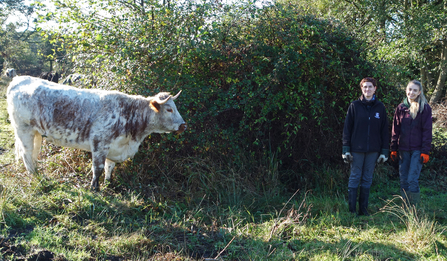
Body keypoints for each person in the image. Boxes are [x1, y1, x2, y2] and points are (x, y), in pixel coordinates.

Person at [342, 77, 389, 216]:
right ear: (361, 89)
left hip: (373, 150)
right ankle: (352, 211)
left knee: (367, 178)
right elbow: (347, 129)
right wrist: (346, 149)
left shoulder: (380, 107)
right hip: (356, 149)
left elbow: (384, 131)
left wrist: (384, 152)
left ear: (375, 89)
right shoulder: (354, 106)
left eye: (370, 87)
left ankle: (363, 209)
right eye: (364, 87)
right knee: (355, 176)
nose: (367, 89)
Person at [390, 80, 432, 207]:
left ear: (419, 92)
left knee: (412, 180)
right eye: (410, 89)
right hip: (403, 149)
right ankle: (405, 207)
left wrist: (425, 151)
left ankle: (414, 209)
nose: (411, 92)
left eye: (415, 90)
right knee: (403, 180)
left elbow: (427, 131)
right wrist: (393, 148)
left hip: (417, 150)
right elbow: (395, 129)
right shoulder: (401, 108)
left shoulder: (425, 108)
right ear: (406, 90)